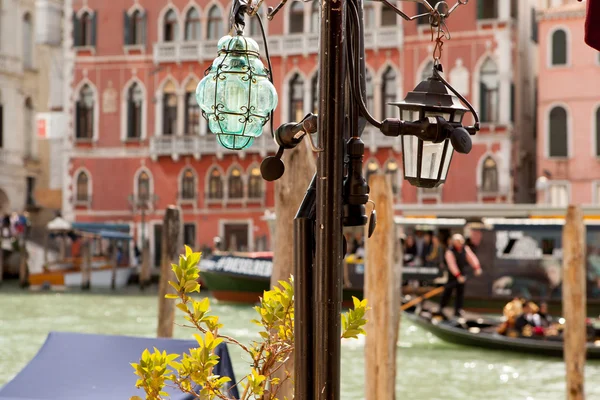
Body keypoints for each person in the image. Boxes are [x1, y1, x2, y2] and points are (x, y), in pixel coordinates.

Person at [437, 233, 482, 317]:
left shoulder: (465, 248)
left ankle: (458, 311)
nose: (460, 243)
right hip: (452, 276)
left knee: (460, 293)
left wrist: (477, 267)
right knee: (447, 292)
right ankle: (441, 308)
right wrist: (458, 276)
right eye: (458, 241)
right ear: (454, 242)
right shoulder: (449, 251)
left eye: (461, 241)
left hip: (462, 274)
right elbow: (452, 264)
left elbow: (472, 258)